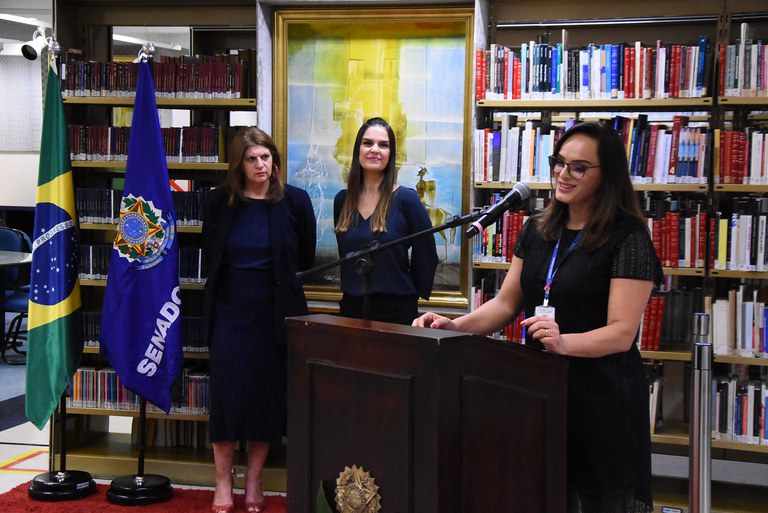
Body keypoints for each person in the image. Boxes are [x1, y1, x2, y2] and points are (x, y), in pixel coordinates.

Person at [413, 121, 661, 513]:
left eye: (579, 167)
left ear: (607, 174)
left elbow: (621, 333)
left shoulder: (628, 238)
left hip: (601, 399)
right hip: (539, 391)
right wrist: (454, 326)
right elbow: (506, 304)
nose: (563, 174)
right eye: (558, 162)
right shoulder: (537, 229)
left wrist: (564, 343)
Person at [201, 127, 317, 513]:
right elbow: (210, 252)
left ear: (275, 160)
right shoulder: (220, 203)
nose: (260, 165)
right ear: (240, 164)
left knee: (266, 398)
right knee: (227, 398)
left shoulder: (295, 202)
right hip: (230, 313)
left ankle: (254, 480)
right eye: (252, 159)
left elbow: (304, 258)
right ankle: (222, 481)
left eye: (265, 157)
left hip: (275, 314)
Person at [334, 117, 439, 325]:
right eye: (368, 143)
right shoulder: (342, 200)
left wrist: (407, 294)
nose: (375, 149)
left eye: (383, 145)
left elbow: (426, 254)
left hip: (395, 312)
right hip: (350, 309)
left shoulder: (406, 199)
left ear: (391, 154)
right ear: (358, 150)